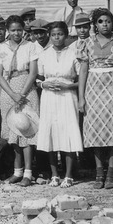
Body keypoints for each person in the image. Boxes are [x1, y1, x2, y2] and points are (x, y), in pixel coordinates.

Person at [77, 8, 113, 189]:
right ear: (95, 25)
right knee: (94, 132)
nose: (105, 25)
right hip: (93, 91)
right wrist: (81, 98)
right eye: (100, 21)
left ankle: (111, 172)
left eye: (108, 21)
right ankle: (99, 173)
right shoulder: (86, 43)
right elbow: (83, 71)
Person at [0, 15, 40, 187]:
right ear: (8, 30)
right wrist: (13, 94)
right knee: (14, 131)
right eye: (13, 30)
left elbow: (33, 72)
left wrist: (21, 93)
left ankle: (28, 173)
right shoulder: (1, 48)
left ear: (23, 30)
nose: (16, 33)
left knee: (27, 129)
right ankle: (17, 171)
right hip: (9, 90)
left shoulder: (30, 46)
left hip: (27, 89)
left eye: (19, 30)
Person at [36, 21, 83, 188]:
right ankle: (55, 174)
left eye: (60, 34)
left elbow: (83, 79)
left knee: (68, 133)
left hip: (67, 96)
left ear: (66, 35)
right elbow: (38, 78)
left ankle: (69, 175)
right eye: (54, 34)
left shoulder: (73, 53)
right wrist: (43, 85)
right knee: (51, 133)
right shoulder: (44, 54)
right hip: (49, 97)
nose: (57, 37)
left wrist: (69, 86)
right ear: (50, 35)